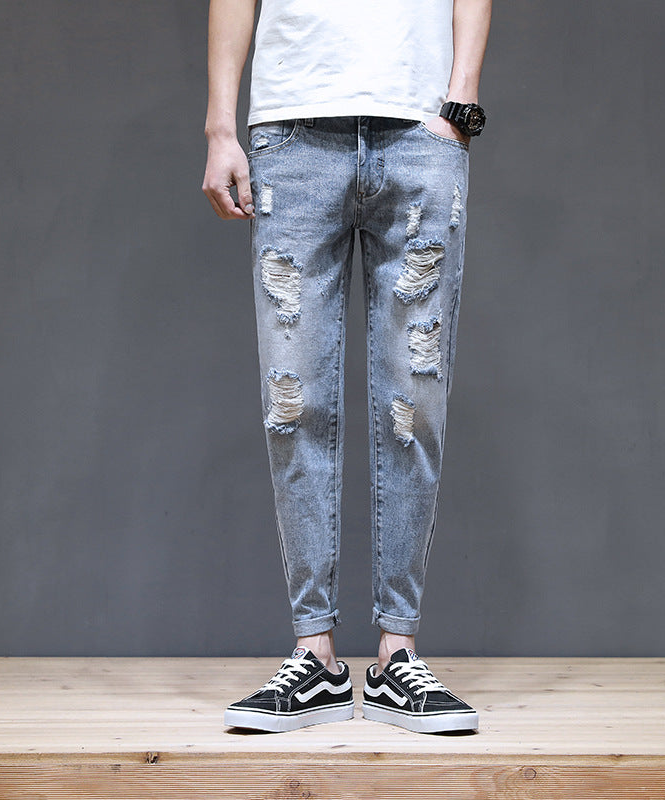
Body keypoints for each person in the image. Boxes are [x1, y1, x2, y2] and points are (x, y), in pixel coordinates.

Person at [202, 0, 491, 734]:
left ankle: (399, 655)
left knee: (415, 397)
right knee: (292, 402)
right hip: (292, 132)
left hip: (417, 129)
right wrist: (219, 125)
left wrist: (460, 102)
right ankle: (317, 657)